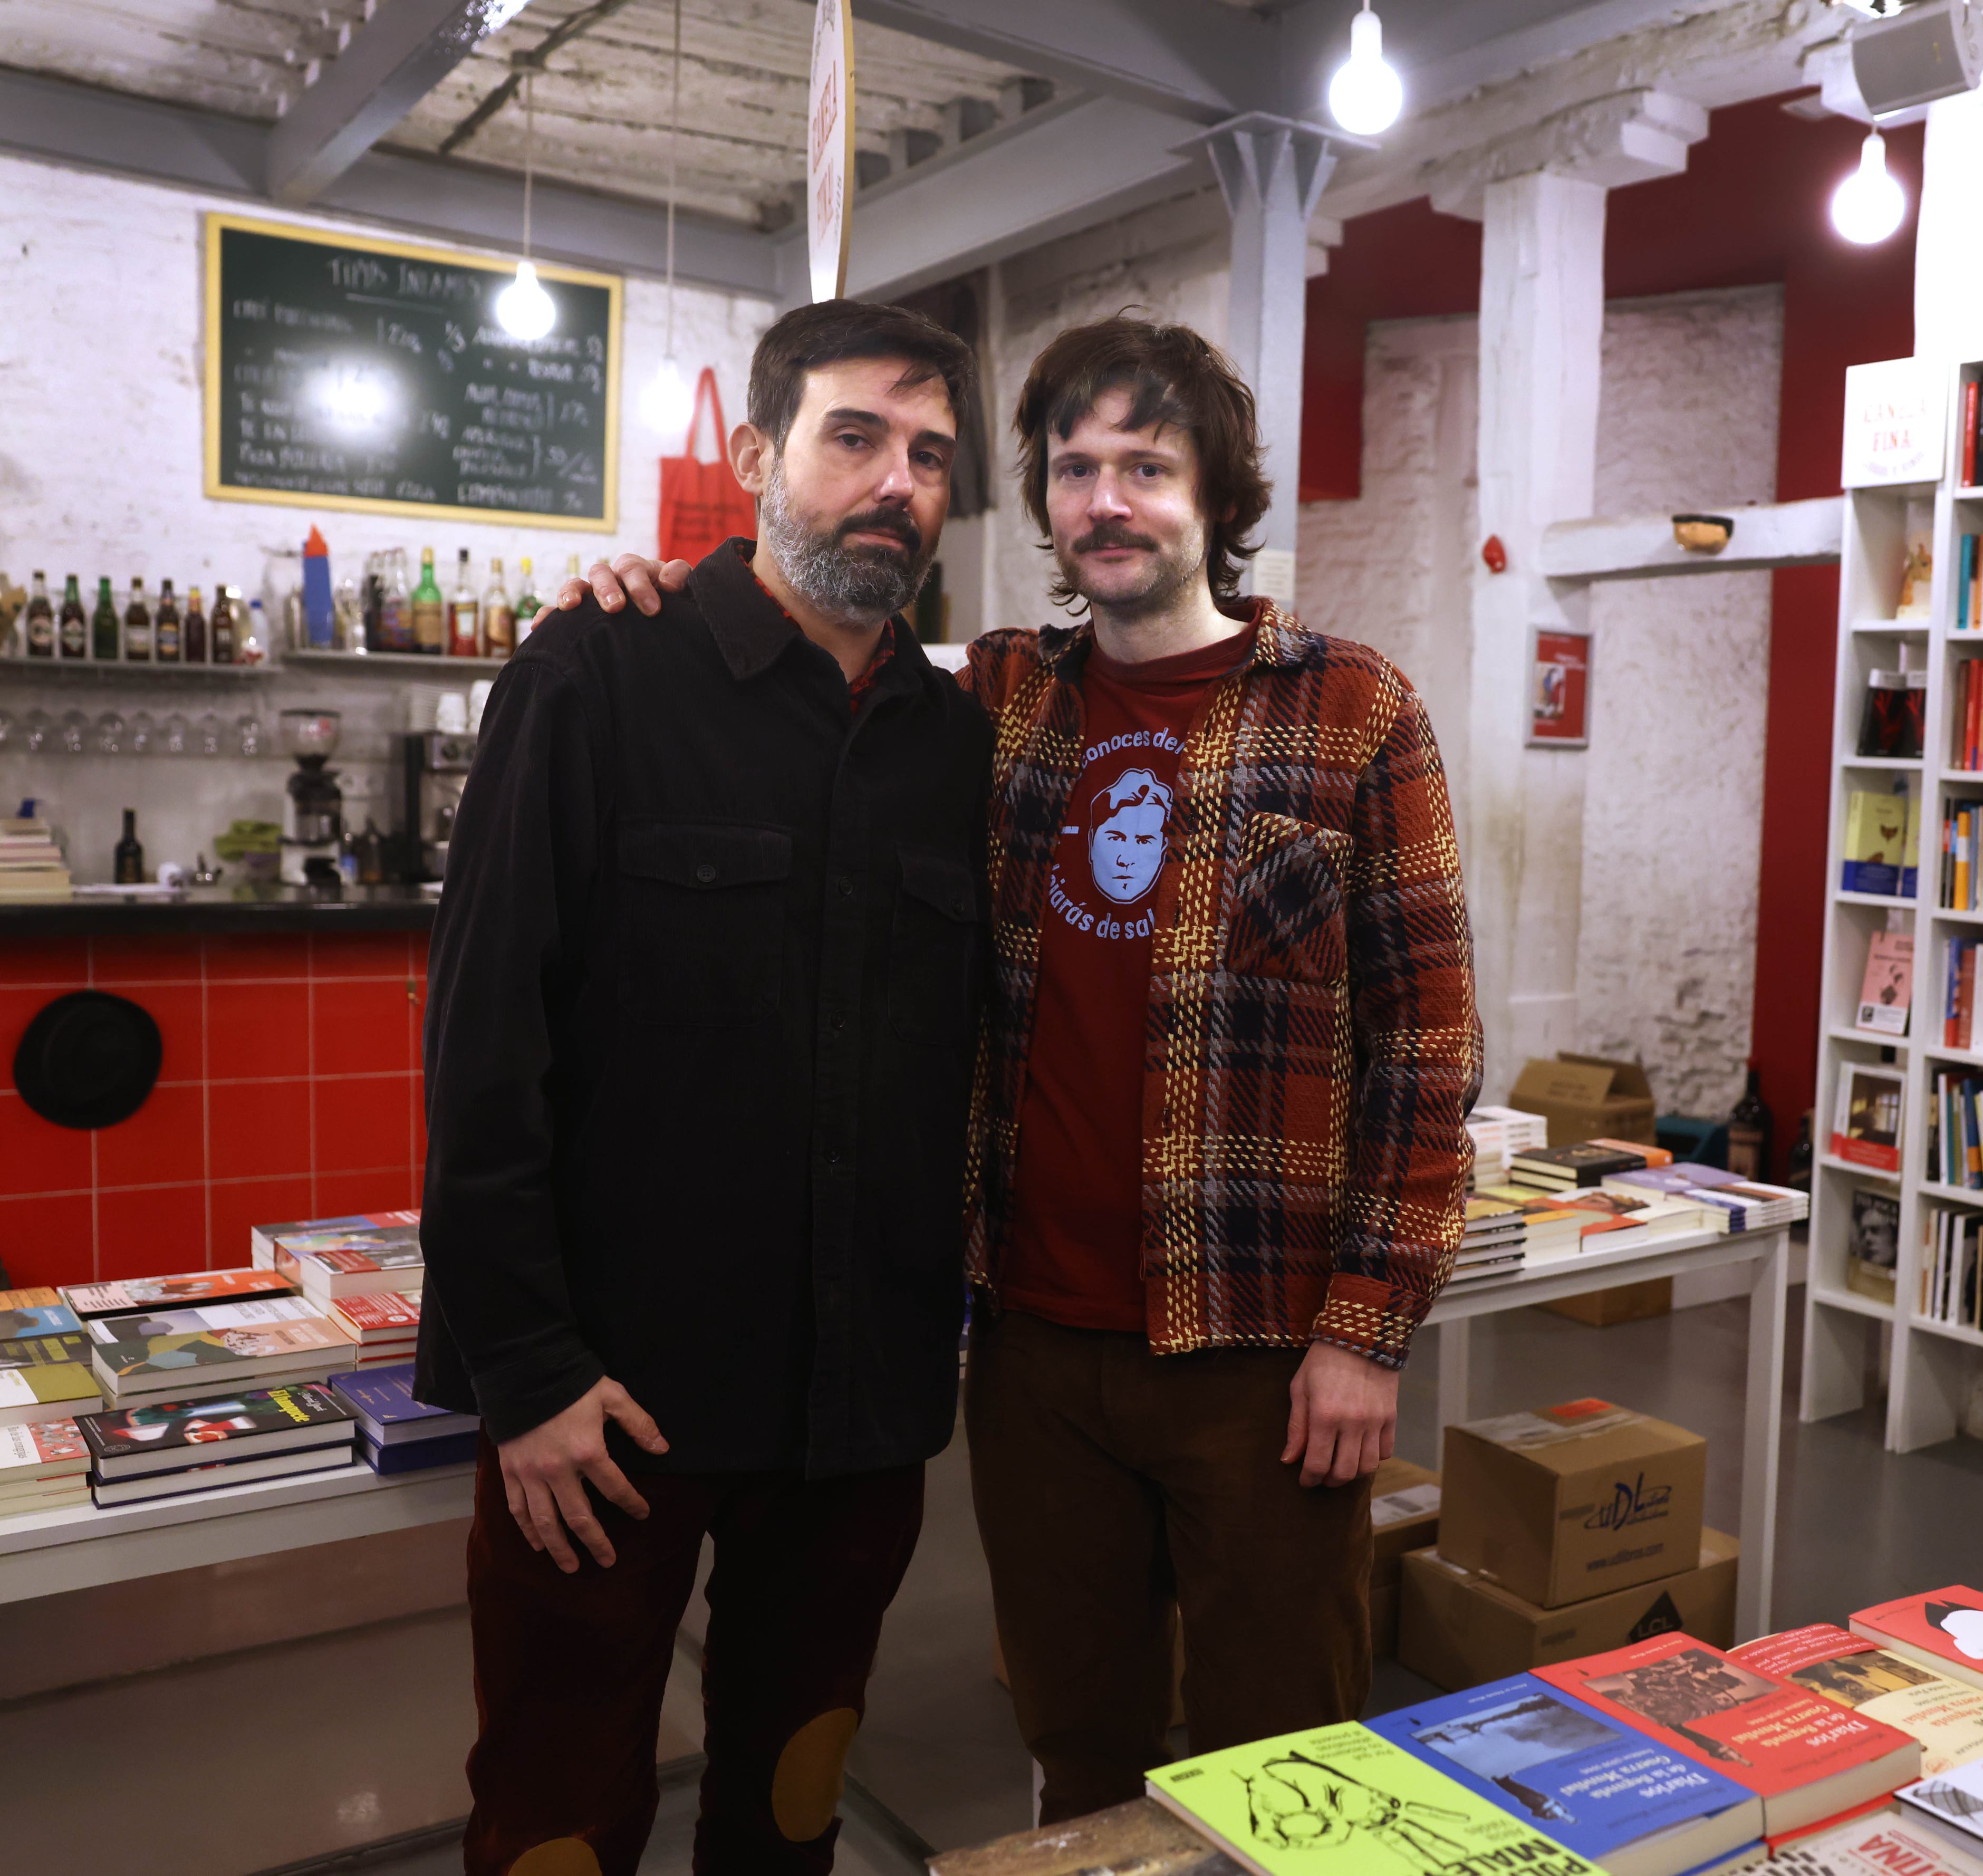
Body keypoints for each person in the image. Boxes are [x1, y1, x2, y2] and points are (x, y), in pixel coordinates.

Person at [562, 313, 1481, 1822]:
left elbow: (1427, 1045)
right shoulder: (990, 700)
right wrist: (652, 597)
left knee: (1284, 1764)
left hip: (1259, 1353)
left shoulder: (1352, 709)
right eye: (1073, 469)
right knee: (1076, 1741)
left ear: (1218, 495)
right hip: (1035, 1352)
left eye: (1147, 465)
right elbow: (806, 637)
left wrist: (1369, 1330)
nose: (1106, 501)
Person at [418, 297, 991, 1876]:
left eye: (931, 454)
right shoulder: (596, 676)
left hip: (855, 1401)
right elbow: (481, 1052)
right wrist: (523, 1368)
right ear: (756, 457)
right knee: (557, 1810)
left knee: (792, 1799)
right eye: (855, 436)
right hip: (610, 1407)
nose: (896, 481)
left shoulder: (960, 742)